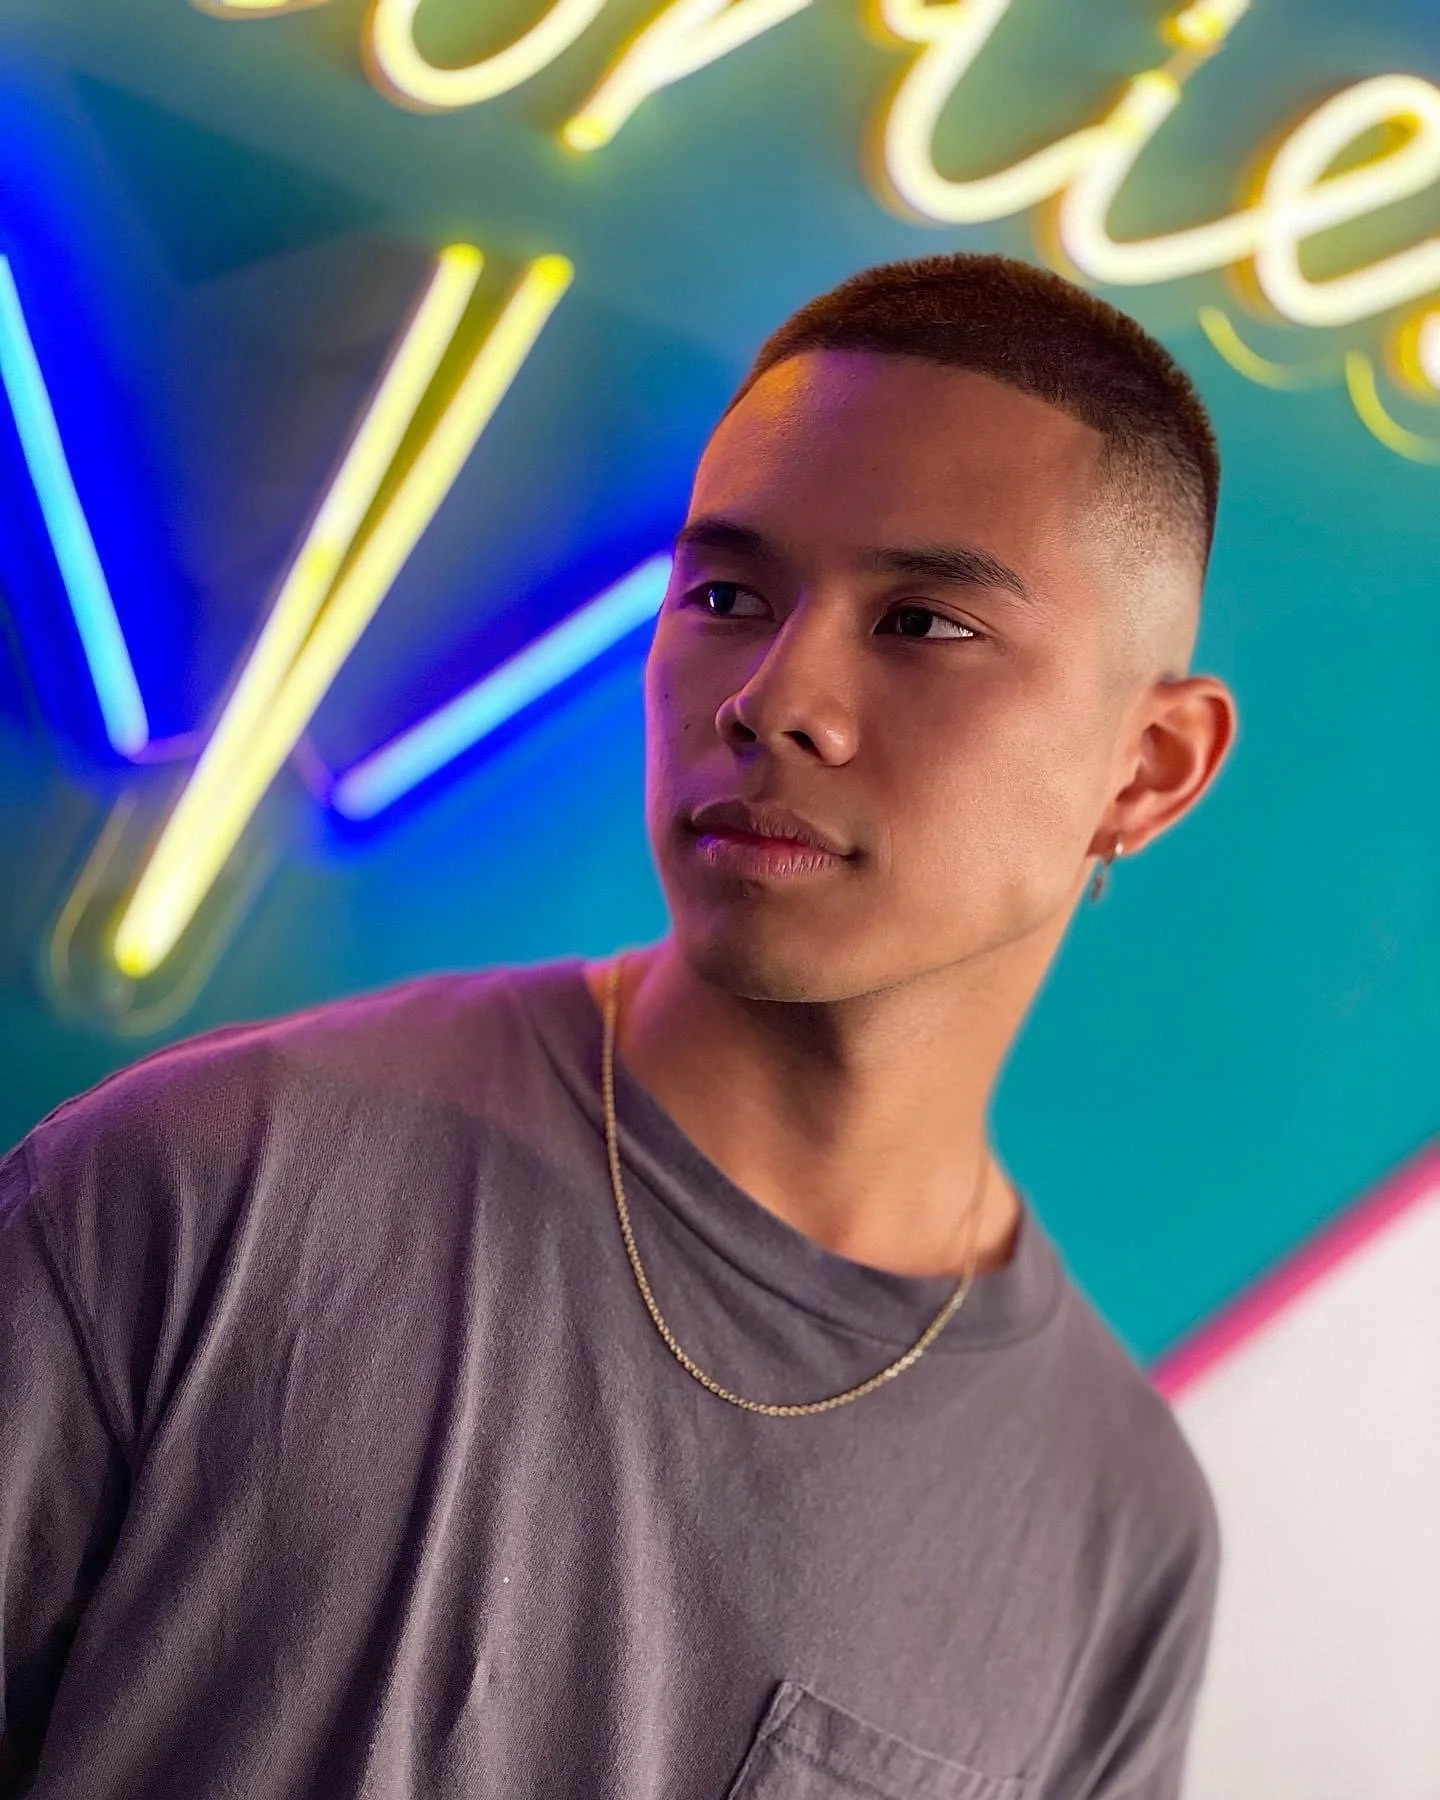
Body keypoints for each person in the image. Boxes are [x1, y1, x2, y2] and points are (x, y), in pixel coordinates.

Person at [0, 252, 1238, 1799]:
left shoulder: (1119, 1531)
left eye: (923, 623)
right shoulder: (205, 1188)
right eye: (725, 596)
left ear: (1148, 768)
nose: (772, 698)